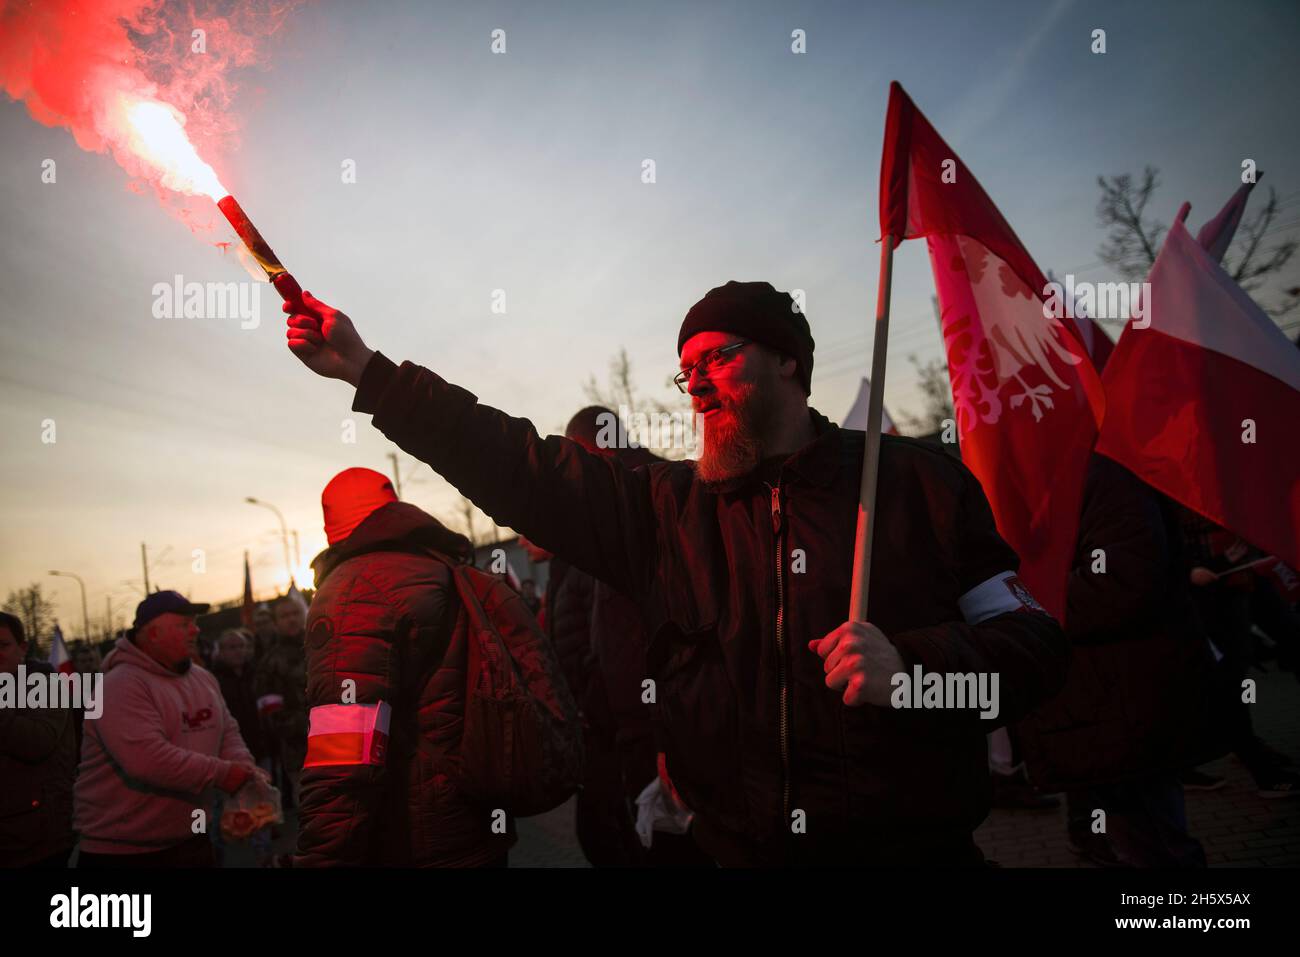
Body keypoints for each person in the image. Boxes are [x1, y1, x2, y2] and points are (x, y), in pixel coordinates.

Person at [284, 279, 1070, 866]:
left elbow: (1034, 647)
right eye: (684, 370)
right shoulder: (664, 511)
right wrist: (370, 374)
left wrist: (915, 670)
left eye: (719, 358)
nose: (694, 383)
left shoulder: (916, 486)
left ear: (788, 360)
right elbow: (517, 463)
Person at [295, 467, 515, 866]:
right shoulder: (448, 568)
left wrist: (323, 854)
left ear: (331, 525)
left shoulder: (353, 592)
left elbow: (345, 746)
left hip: (411, 833)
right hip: (476, 816)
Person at [1019, 455, 1223, 867]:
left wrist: (1015, 600)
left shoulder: (1099, 477)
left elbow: (1119, 587)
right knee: (1137, 841)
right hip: (1095, 710)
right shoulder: (1053, 478)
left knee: (1157, 848)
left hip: (1123, 708)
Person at [74, 592, 261, 867]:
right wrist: (224, 774)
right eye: (184, 624)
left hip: (191, 840)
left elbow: (227, 731)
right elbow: (147, 760)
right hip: (121, 851)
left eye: (194, 623)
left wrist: (244, 768)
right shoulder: (118, 685)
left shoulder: (202, 677)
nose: (196, 630)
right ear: (153, 633)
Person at [0, 612, 77, 867]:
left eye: (3, 646)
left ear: (22, 648)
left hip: (39, 838)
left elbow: (37, 742)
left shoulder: (44, 685)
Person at [255, 594, 309, 806]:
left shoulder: (323, 649)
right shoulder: (269, 663)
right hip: (300, 755)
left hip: (341, 744)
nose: (292, 619)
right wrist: (312, 724)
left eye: (296, 613)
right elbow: (271, 716)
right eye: (285, 616)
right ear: (276, 622)